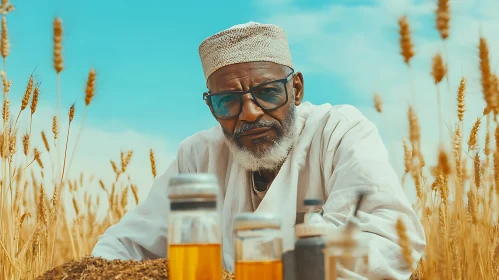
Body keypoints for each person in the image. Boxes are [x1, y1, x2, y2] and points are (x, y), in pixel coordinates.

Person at [91, 22, 426, 279]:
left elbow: (389, 236)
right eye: (228, 101)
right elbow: (128, 244)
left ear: (295, 89)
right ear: (211, 107)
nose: (249, 113)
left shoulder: (339, 133)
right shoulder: (198, 156)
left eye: (267, 93)